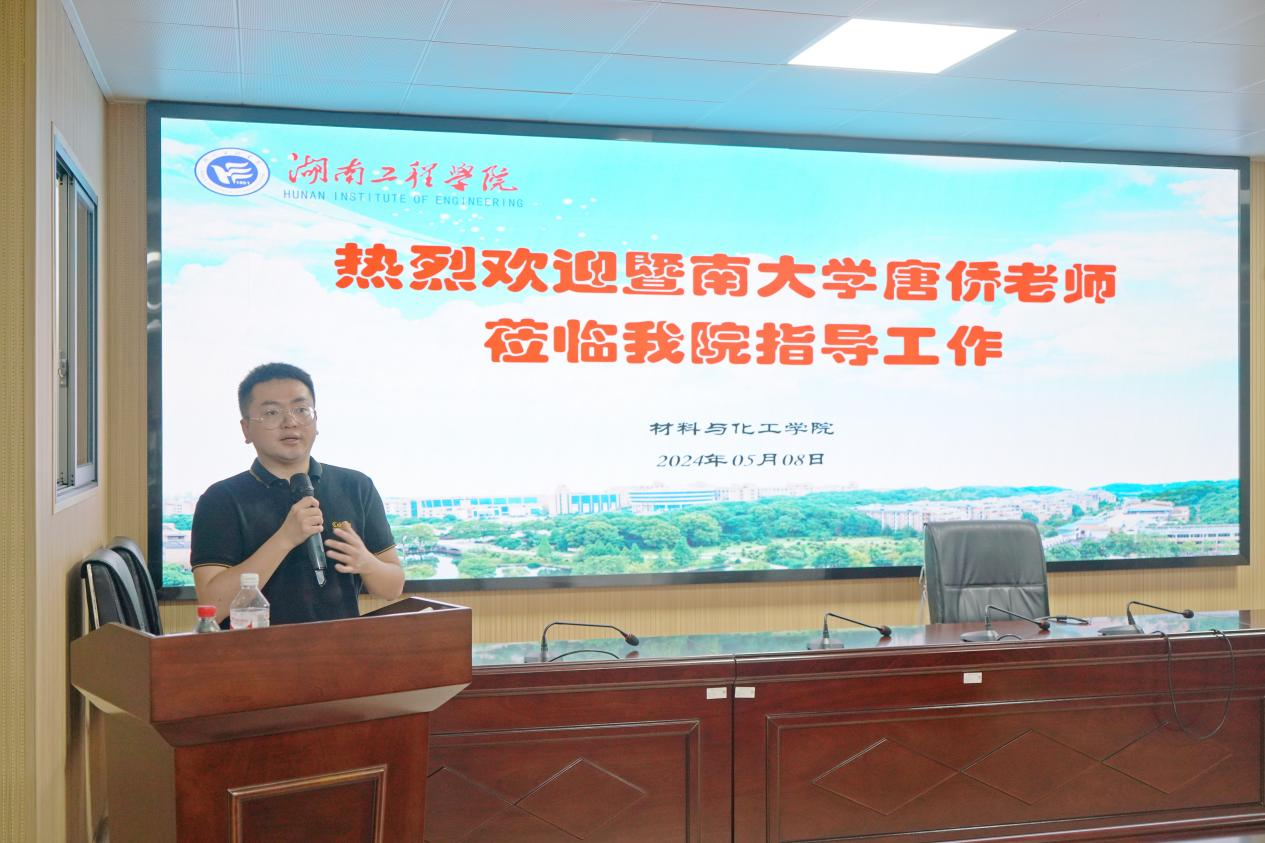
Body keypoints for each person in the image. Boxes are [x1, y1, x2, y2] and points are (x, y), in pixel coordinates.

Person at [191, 362, 405, 625]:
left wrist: (366, 563)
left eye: (301, 410)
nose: (290, 422)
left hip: (342, 646)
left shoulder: (356, 486)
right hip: (255, 649)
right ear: (246, 429)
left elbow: (392, 588)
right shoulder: (220, 499)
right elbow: (212, 605)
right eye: (271, 412)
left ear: (316, 421)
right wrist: (285, 538)